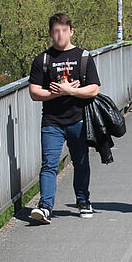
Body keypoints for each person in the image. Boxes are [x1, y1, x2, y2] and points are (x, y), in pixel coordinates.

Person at [28, 13, 101, 224]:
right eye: (56, 31)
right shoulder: (43, 60)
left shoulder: (83, 57)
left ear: (71, 31)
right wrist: (57, 93)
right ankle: (45, 207)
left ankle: (83, 201)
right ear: (51, 34)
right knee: (49, 165)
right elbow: (34, 92)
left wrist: (70, 91)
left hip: (78, 119)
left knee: (81, 162)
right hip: (52, 121)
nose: (60, 35)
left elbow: (93, 89)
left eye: (63, 30)